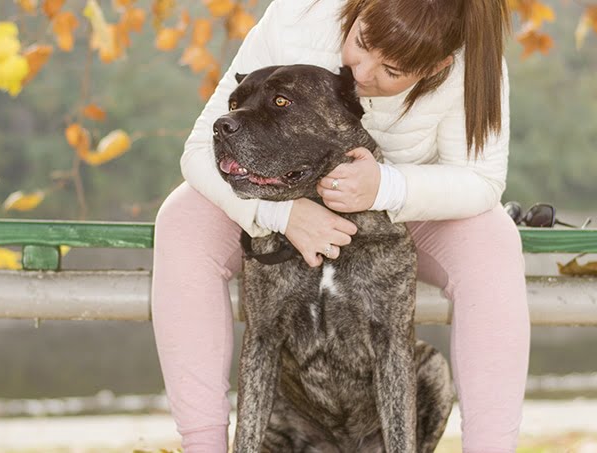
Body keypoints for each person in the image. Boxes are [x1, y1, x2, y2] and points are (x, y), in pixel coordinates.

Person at [151, 0, 531, 451]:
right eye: (362, 43)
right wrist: (280, 214)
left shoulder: (473, 65)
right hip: (281, 195)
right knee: (180, 220)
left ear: (436, 67)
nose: (363, 72)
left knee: (495, 240)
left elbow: (483, 181)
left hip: (401, 211)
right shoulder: (298, 15)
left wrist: (385, 187)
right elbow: (200, 148)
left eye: (391, 69)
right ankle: (203, 445)